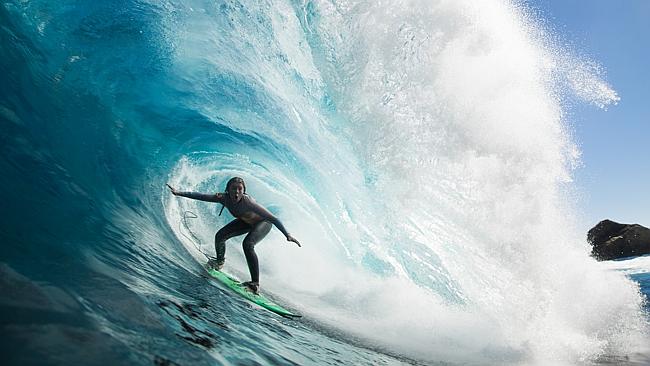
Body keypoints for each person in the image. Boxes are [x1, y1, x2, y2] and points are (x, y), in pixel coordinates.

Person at [166, 177, 300, 294]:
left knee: (248, 244)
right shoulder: (223, 198)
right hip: (246, 221)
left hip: (263, 223)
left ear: (244, 190)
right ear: (228, 189)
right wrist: (179, 193)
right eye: (234, 188)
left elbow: (273, 218)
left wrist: (287, 235)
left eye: (240, 189)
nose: (237, 192)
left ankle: (255, 284)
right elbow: (202, 196)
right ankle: (219, 262)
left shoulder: (248, 202)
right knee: (220, 236)